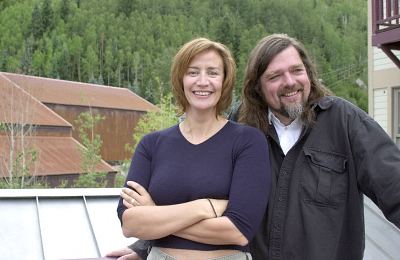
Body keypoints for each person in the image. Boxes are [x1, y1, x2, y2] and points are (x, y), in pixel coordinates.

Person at [108, 33, 400, 260]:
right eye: (275, 76)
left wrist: (154, 218)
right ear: (257, 86)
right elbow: (193, 184)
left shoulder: (345, 122)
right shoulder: (240, 127)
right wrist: (147, 245)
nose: (290, 83)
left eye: (297, 71)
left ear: (309, 73)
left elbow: (395, 186)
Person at [115, 37, 271, 260]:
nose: (203, 81)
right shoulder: (152, 144)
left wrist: (155, 214)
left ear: (225, 81)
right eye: (193, 72)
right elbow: (129, 224)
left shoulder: (247, 141)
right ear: (181, 79)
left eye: (213, 73)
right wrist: (205, 207)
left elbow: (238, 231)